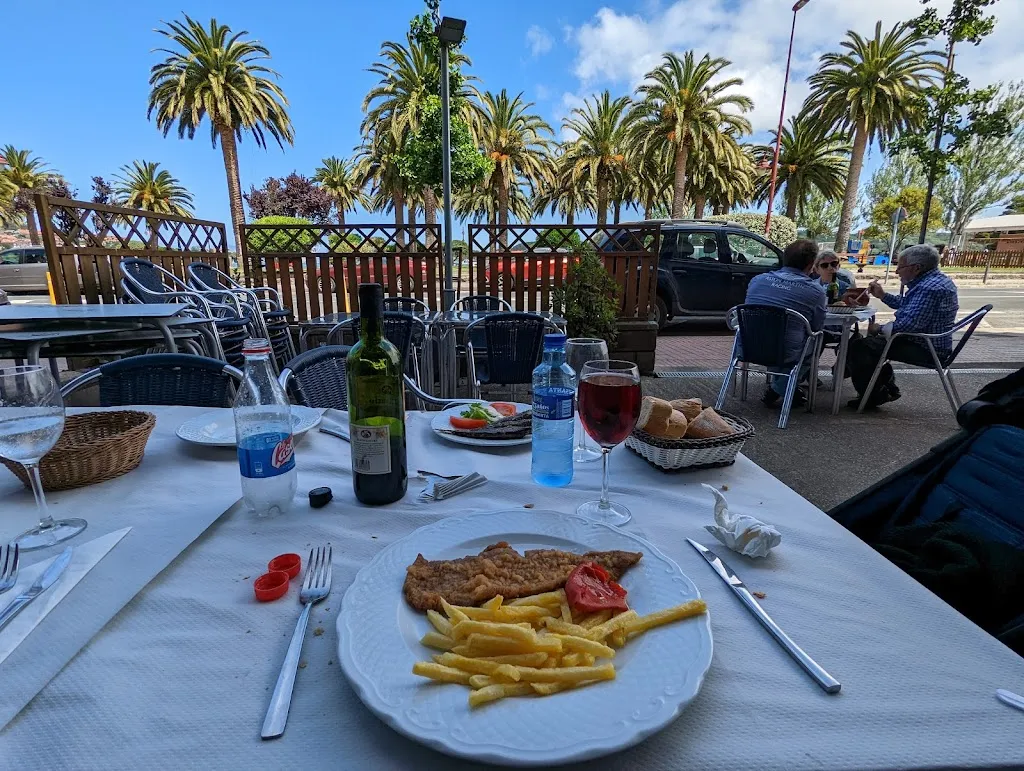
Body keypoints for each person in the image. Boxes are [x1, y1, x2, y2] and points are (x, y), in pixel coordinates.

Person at [845, 244, 959, 408]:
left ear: (916, 268)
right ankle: (883, 388)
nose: (897, 271)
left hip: (927, 348)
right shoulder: (933, 281)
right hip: (925, 342)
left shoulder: (929, 288)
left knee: (861, 347)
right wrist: (882, 295)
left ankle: (874, 396)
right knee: (868, 345)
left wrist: (880, 329)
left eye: (900, 266)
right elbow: (908, 305)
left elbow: (908, 325)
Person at [744, 239, 825, 407]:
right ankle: (779, 388)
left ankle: (785, 388)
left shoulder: (757, 280)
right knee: (813, 341)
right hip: (786, 352)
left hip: (748, 346)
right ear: (811, 264)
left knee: (787, 338)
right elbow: (817, 326)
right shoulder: (815, 292)